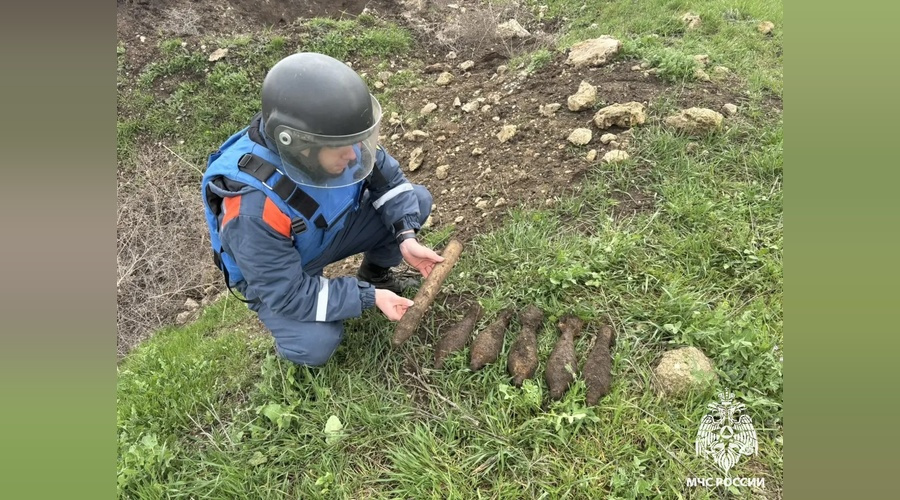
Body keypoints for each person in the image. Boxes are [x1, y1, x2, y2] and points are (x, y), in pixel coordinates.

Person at [201, 52, 444, 366]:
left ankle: (376, 276)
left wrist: (405, 236)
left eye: (357, 142)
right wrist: (366, 298)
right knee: (315, 344)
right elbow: (287, 292)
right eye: (342, 149)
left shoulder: (337, 136)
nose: (354, 156)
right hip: (279, 274)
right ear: (300, 144)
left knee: (415, 201)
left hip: (328, 231)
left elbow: (391, 183)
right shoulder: (252, 209)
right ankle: (291, 341)